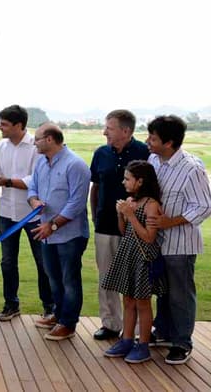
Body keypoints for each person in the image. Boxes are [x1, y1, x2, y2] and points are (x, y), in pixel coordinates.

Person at [145, 115, 211, 365]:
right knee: (162, 291)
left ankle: (182, 342)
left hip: (180, 244)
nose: (148, 142)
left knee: (180, 294)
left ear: (169, 142)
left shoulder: (192, 168)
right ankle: (162, 332)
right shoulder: (154, 160)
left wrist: (169, 222)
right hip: (156, 242)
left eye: (153, 138)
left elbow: (204, 206)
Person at [0, 105, 53, 321]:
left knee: (42, 262)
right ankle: (11, 304)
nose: (0, 127)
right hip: (6, 211)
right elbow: (0, 176)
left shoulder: (35, 147)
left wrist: (6, 181)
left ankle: (49, 306)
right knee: (8, 262)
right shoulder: (0, 146)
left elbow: (35, 180)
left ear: (19, 125)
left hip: (33, 215)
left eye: (4, 124)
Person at [90, 110, 149, 340]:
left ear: (125, 131)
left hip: (135, 228)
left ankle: (134, 331)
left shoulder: (144, 153)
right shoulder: (101, 153)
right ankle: (111, 324)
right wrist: (95, 216)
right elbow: (95, 187)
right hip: (104, 225)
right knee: (106, 278)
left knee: (135, 280)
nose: (105, 132)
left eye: (109, 128)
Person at [28, 123, 90, 341]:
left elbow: (76, 203)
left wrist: (53, 225)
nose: (34, 142)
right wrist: (34, 200)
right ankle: (58, 314)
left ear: (50, 139)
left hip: (69, 235)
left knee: (69, 280)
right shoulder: (41, 163)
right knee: (53, 278)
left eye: (37, 138)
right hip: (48, 234)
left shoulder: (75, 165)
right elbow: (32, 187)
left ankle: (68, 323)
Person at [101, 160, 165, 363]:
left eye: (128, 178)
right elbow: (125, 231)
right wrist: (122, 215)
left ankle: (143, 344)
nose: (124, 182)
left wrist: (130, 214)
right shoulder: (131, 200)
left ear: (140, 181)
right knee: (127, 299)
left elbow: (148, 237)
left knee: (142, 302)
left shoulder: (152, 205)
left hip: (143, 259)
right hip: (128, 254)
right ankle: (126, 339)